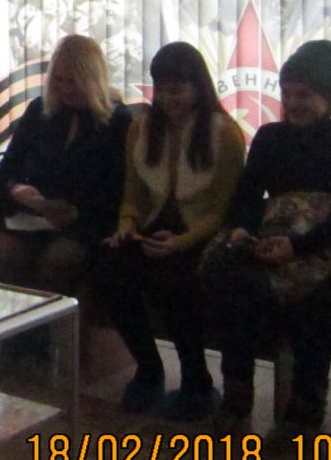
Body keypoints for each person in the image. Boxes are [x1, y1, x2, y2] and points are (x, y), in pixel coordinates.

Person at [204, 41, 331, 435]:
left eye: (305, 95)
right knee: (228, 277)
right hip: (274, 242)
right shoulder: (270, 137)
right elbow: (248, 196)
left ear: (329, 96)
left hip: (328, 248)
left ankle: (306, 405)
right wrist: (243, 229)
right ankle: (236, 397)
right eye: (288, 93)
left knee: (318, 298)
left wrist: (298, 246)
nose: (293, 103)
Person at [99, 42, 245, 420]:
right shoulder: (141, 128)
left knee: (175, 283)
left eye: (176, 89)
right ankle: (148, 369)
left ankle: (197, 382)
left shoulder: (225, 134)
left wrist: (182, 242)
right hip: (153, 228)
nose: (168, 99)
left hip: (202, 234)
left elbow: (221, 210)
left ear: (198, 87)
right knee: (110, 271)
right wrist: (126, 228)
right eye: (161, 90)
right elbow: (133, 196)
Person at [0, 35, 131, 294]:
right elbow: (7, 168)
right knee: (1, 251)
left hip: (86, 225)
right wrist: (15, 189)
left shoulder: (117, 121)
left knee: (57, 259)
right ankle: (14, 319)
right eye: (59, 80)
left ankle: (52, 320)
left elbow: (118, 189)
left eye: (73, 82)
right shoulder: (39, 111)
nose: (65, 89)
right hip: (32, 219)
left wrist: (76, 213)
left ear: (92, 80)